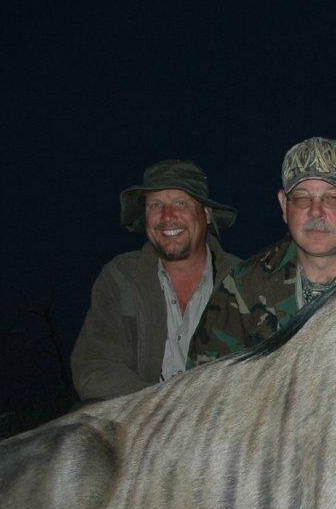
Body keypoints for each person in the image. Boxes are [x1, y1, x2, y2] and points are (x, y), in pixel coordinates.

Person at [191, 136, 336, 359]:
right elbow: (204, 382)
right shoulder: (243, 287)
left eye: (331, 198)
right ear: (284, 206)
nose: (315, 211)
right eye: (302, 199)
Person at [71, 159, 242, 401]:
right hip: (139, 420)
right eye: (155, 205)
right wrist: (162, 405)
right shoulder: (120, 277)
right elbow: (94, 368)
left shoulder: (243, 280)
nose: (167, 216)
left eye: (180, 203)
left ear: (205, 214)